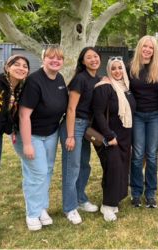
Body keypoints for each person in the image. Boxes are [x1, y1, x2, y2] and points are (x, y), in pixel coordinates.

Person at [13, 45, 68, 231]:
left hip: (50, 133)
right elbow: (23, 115)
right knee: (36, 174)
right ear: (43, 59)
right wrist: (27, 144)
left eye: (59, 58)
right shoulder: (34, 81)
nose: (55, 61)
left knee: (47, 171)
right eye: (51, 57)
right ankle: (32, 213)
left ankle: (41, 207)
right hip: (31, 134)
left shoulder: (59, 79)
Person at [0, 55, 29, 248]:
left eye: (25, 66)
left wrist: (12, 129)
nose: (21, 68)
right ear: (7, 67)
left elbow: (3, 116)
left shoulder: (14, 90)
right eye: (16, 64)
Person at [59, 47, 101, 225]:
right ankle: (69, 207)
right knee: (72, 167)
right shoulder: (79, 79)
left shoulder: (98, 79)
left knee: (84, 165)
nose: (93, 59)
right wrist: (70, 136)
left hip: (87, 127)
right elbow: (71, 108)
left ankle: (80, 199)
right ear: (83, 62)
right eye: (88, 57)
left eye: (95, 56)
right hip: (74, 125)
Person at [92, 56, 136, 221]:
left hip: (125, 136)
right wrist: (109, 135)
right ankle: (107, 205)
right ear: (108, 70)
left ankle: (115, 199)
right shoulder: (104, 87)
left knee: (122, 168)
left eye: (120, 68)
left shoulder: (126, 87)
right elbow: (98, 113)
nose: (117, 71)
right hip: (109, 137)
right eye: (113, 68)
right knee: (113, 168)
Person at [128, 35, 158, 208]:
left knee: (152, 155)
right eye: (145, 46)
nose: (148, 49)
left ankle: (150, 193)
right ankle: (135, 192)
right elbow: (118, 82)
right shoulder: (131, 68)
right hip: (138, 116)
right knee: (137, 155)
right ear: (140, 47)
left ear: (154, 51)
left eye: (151, 47)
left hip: (155, 115)